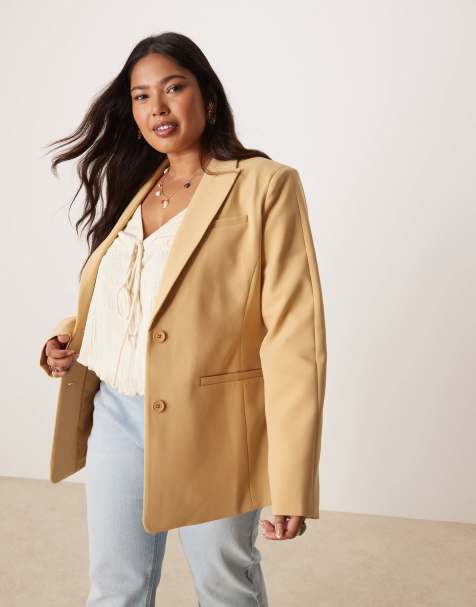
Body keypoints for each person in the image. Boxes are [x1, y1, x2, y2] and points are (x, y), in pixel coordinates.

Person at [41, 32, 327, 606]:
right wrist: (68, 336)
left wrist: (293, 479)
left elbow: (295, 338)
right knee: (114, 587)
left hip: (215, 424)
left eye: (173, 88)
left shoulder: (265, 185)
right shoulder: (138, 184)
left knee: (224, 583)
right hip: (117, 414)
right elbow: (136, 297)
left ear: (208, 98)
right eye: (141, 96)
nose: (158, 107)